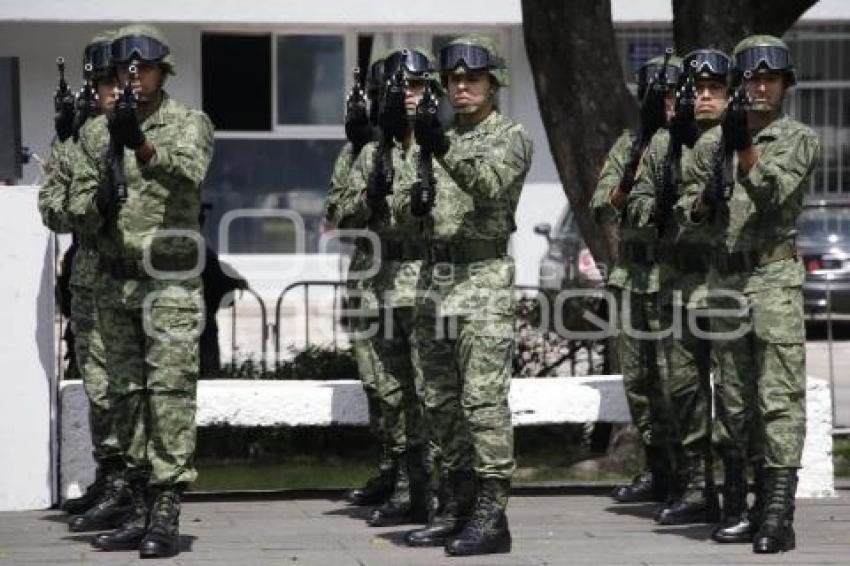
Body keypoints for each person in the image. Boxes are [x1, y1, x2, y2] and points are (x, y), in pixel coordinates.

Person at [66, 24, 214, 558]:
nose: (135, 76)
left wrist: (142, 145)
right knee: (124, 398)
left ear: (162, 72)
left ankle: (167, 509)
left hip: (169, 282)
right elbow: (72, 199)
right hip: (112, 283)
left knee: (170, 395)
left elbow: (191, 171)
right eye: (127, 69)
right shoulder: (94, 133)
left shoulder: (188, 122)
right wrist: (96, 199)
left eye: (145, 68)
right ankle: (135, 503)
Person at [676, 34, 819, 554]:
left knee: (778, 399)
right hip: (724, 283)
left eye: (770, 79)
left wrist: (744, 150)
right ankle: (745, 505)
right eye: (753, 78)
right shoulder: (709, 145)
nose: (760, 87)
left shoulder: (798, 137)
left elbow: (776, 194)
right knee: (734, 402)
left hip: (774, 279)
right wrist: (699, 206)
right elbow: (683, 218)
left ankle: (778, 513)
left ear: (785, 85)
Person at [398, 35, 532, 556]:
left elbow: (490, 186)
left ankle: (492, 513)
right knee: (440, 403)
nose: (461, 88)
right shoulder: (436, 135)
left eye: (471, 79)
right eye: (453, 79)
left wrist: (439, 145)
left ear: (492, 84)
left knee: (482, 402)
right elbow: (407, 209)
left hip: (483, 281)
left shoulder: (511, 136)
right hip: (435, 280)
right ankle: (455, 502)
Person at [330, 47, 441, 527]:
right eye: (397, 89)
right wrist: (364, 179)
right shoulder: (369, 150)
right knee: (388, 389)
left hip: (427, 281)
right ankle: (401, 476)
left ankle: (431, 486)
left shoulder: (445, 143)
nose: (407, 97)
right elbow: (338, 212)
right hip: (376, 278)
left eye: (416, 86)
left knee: (431, 389)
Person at [626, 49, 732, 525]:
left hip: (730, 282)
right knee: (683, 387)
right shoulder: (663, 143)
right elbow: (633, 205)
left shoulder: (744, 138)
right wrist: (660, 208)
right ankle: (694, 483)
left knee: (735, 390)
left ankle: (735, 485)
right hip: (680, 282)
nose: (704, 98)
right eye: (696, 89)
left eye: (715, 89)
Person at [38, 31, 126, 521]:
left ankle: (135, 485)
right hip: (91, 277)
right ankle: (110, 474)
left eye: (117, 81)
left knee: (131, 387)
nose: (111, 91)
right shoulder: (75, 139)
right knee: (97, 383)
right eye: (102, 83)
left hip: (138, 278)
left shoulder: (144, 133)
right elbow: (52, 209)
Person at [591, 53, 681, 505]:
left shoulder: (700, 145)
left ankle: (689, 473)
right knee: (640, 382)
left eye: (672, 94)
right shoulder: (629, 145)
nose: (666, 103)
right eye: (657, 96)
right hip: (633, 274)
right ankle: (660, 467)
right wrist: (638, 157)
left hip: (674, 275)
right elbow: (604, 205)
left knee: (675, 379)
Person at [325, 52, 401, 508]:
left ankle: (417, 474)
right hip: (366, 280)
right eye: (380, 96)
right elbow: (338, 214)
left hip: (408, 278)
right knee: (377, 382)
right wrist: (359, 153)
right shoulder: (358, 150)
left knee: (409, 384)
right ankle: (393, 465)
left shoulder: (432, 146)